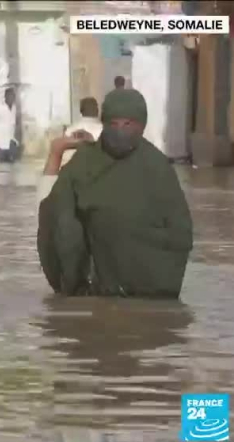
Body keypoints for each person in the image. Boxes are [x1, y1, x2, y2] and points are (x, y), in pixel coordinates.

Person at [37, 88, 193, 298]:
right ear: (104, 123)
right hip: (91, 287)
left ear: (141, 124)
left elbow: (180, 233)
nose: (120, 130)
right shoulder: (85, 162)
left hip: (150, 288)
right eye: (113, 123)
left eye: (128, 124)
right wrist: (56, 153)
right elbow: (50, 211)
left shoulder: (157, 168)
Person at [0, 87, 20, 163]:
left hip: (10, 144)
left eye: (13, 96)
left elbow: (13, 126)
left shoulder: (14, 109)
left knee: (10, 166)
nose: (12, 98)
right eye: (10, 96)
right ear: (5, 96)